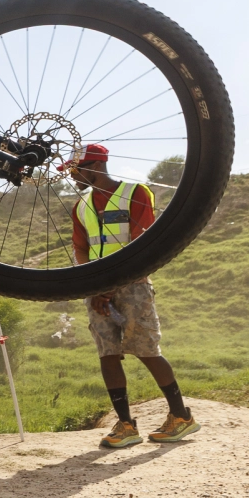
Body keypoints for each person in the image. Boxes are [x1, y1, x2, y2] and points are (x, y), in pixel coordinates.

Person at [67, 144, 198, 448]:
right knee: (107, 354)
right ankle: (126, 425)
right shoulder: (81, 205)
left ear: (96, 167)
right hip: (96, 292)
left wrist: (109, 287)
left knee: (147, 349)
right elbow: (80, 248)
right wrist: (92, 287)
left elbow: (144, 242)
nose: (73, 177)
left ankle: (181, 417)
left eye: (77, 170)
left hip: (134, 285)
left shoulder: (135, 193)